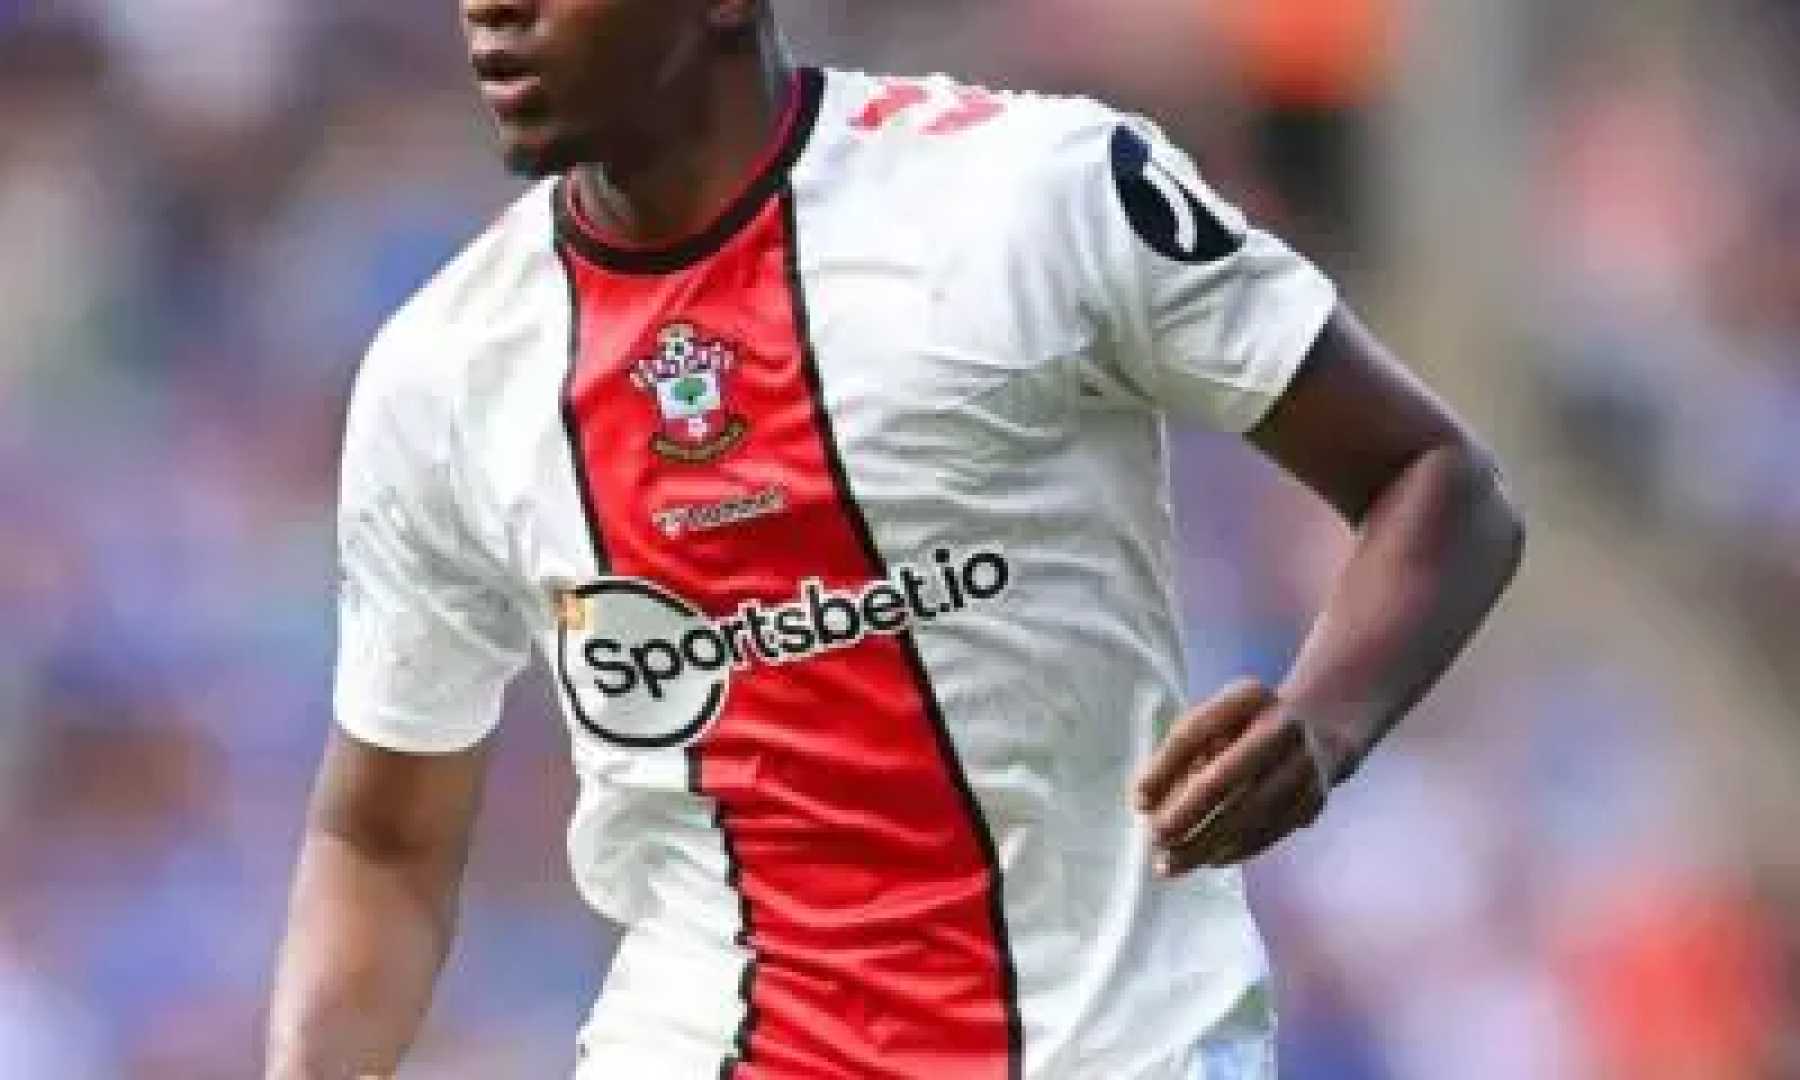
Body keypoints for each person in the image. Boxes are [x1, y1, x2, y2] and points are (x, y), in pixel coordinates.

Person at [265, 2, 1525, 1077]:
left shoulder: (1037, 193)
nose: (491, 9)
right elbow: (383, 836)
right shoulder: (443, 372)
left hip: (1113, 1044)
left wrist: (1324, 724)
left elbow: (1439, 481)